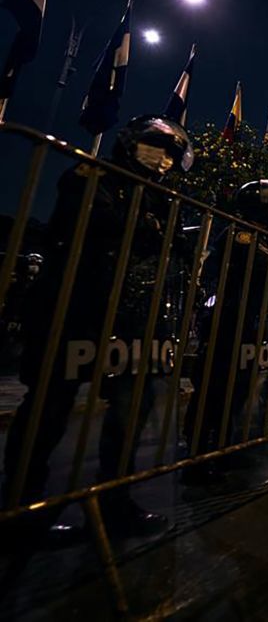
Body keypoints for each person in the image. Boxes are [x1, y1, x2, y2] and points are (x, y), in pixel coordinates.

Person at [3, 115, 193, 539]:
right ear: (130, 143)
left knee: (131, 410)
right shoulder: (91, 175)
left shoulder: (162, 196)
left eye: (171, 155)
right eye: (156, 147)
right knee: (49, 408)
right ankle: (21, 508)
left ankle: (115, 499)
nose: (163, 160)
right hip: (74, 309)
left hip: (131, 319)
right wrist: (147, 226)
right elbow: (88, 223)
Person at [183, 178, 268, 486]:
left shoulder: (265, 240)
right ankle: (199, 455)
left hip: (251, 327)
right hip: (228, 324)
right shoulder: (241, 234)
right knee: (216, 389)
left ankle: (225, 449)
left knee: (240, 391)